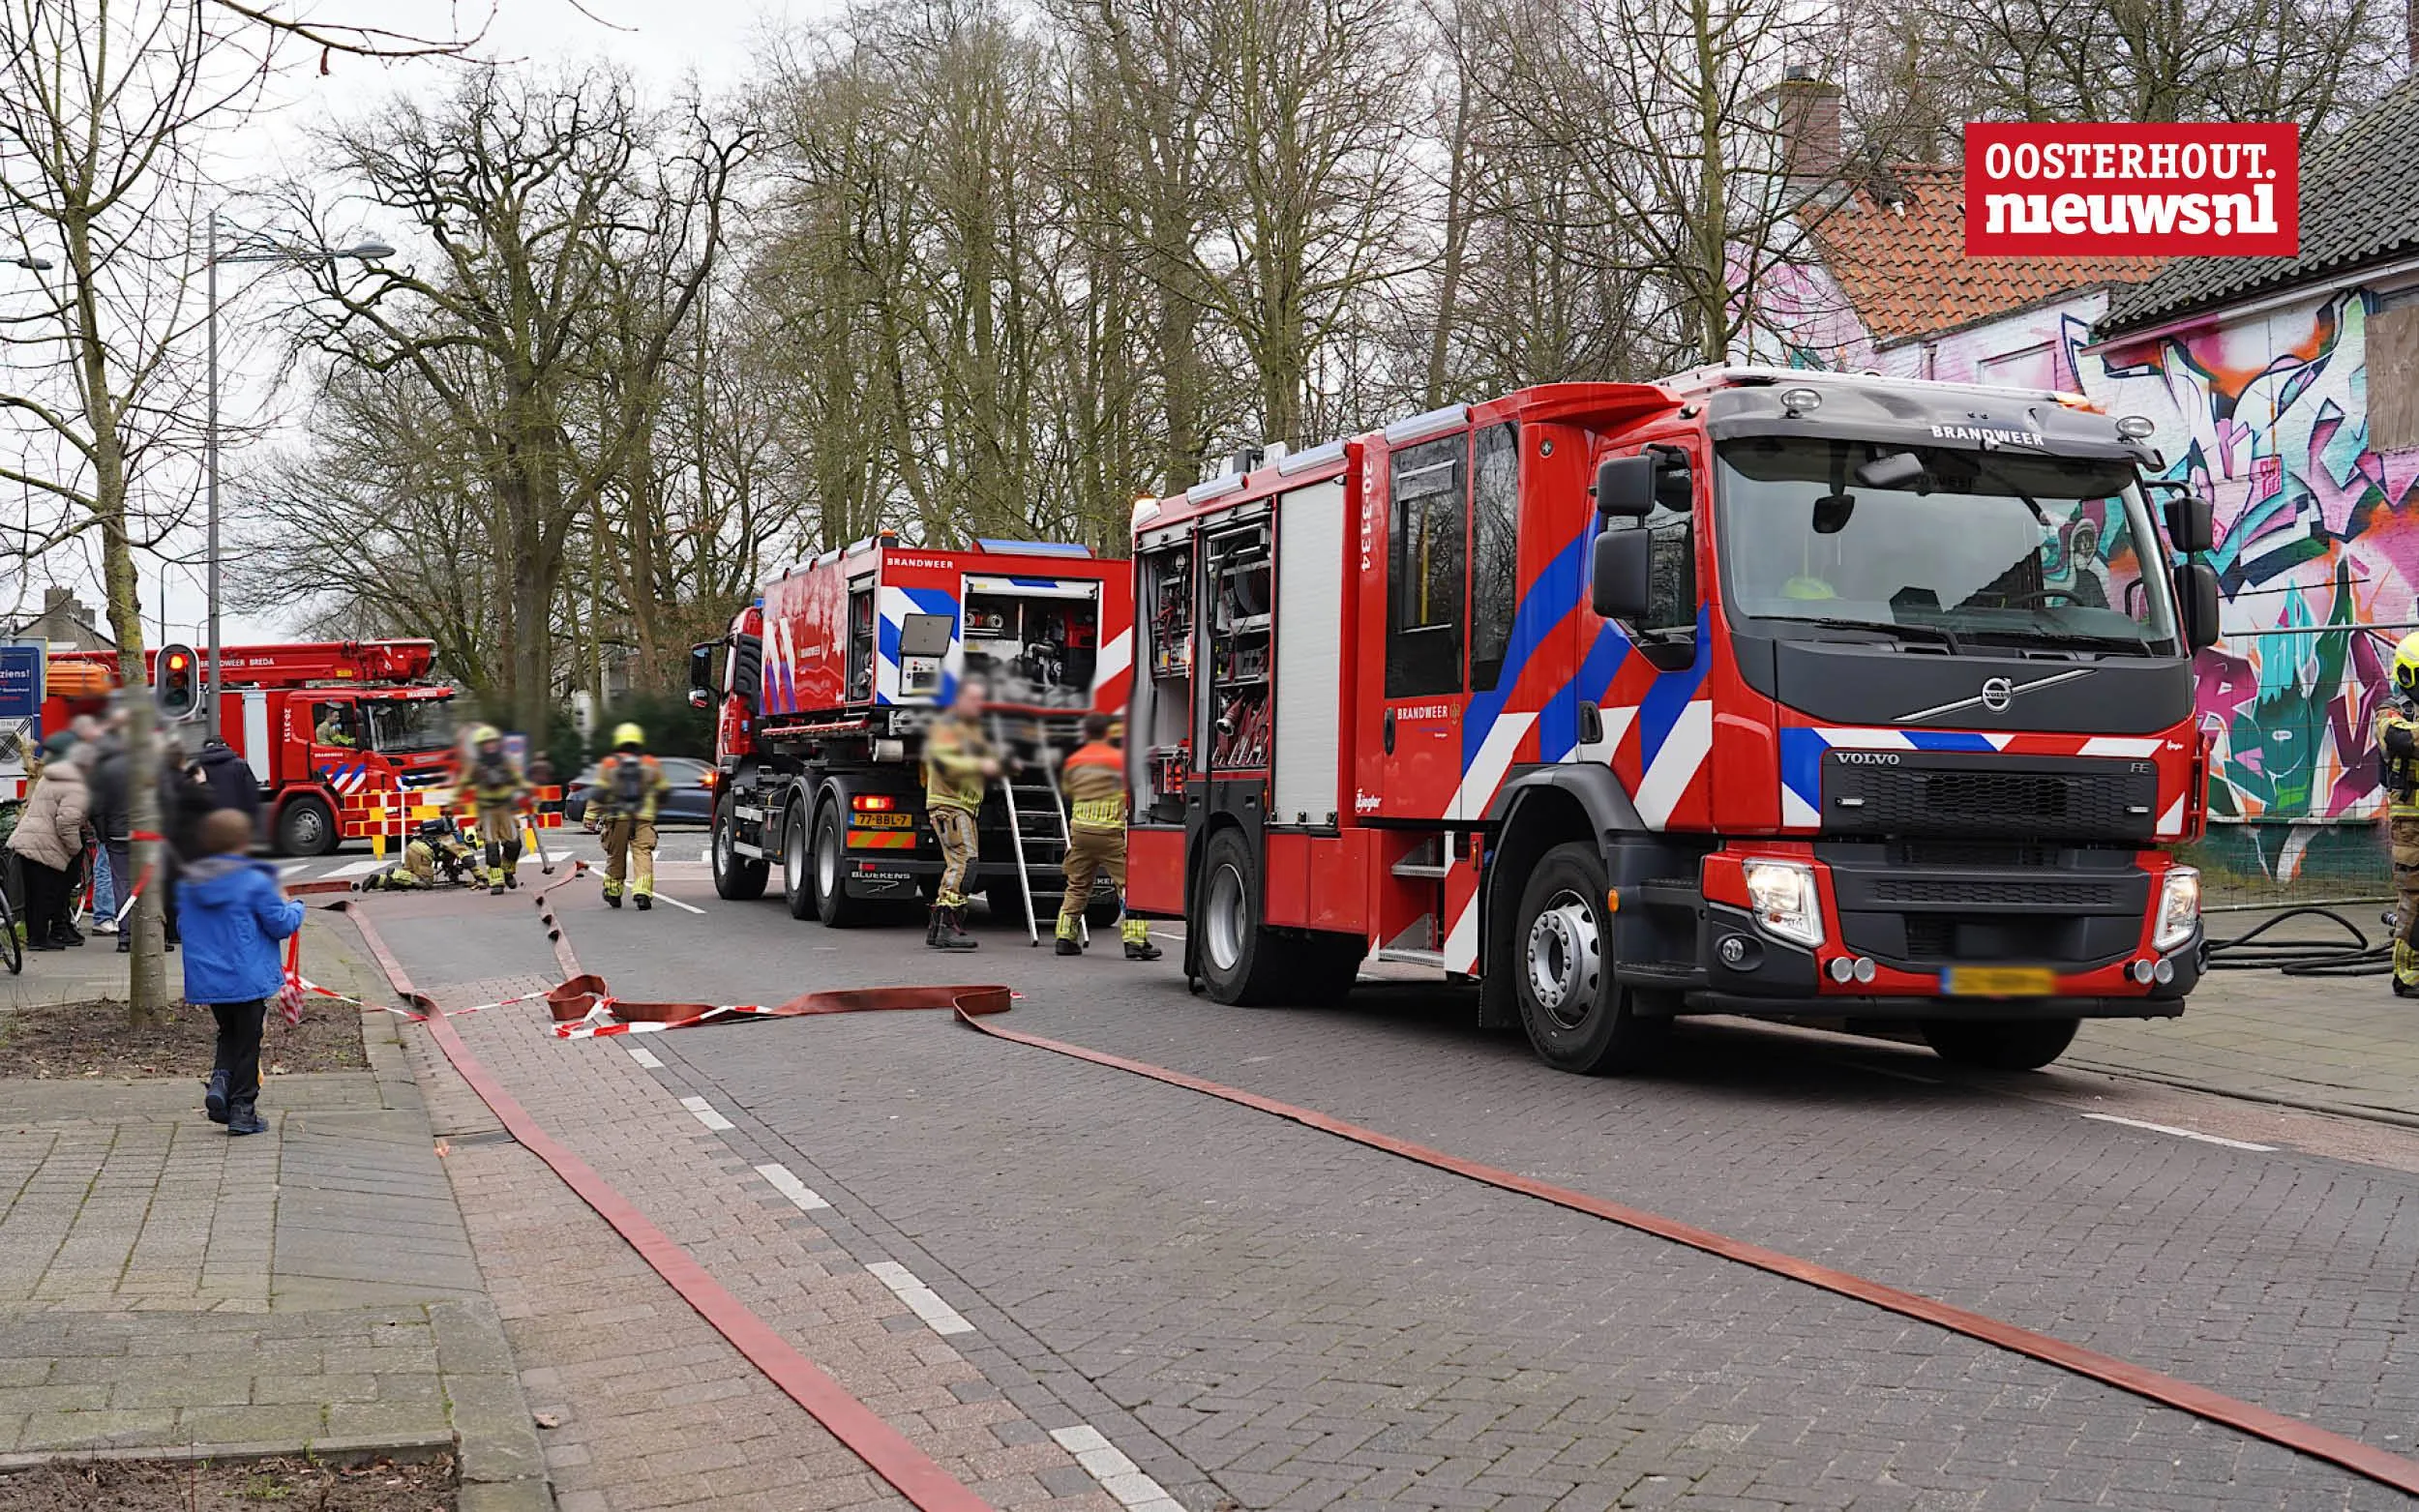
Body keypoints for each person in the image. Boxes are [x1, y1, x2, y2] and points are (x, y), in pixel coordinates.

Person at [178, 808, 305, 1138]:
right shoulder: (255, 881)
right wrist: (295, 906)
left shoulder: (190, 883)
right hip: (247, 978)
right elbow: (280, 924)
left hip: (210, 979)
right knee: (249, 1042)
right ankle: (242, 1109)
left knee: (228, 1034)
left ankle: (219, 1084)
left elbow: (181, 926)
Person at [1055, 713, 1159, 961]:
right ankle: (1134, 942)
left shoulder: (1074, 760)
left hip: (1080, 831)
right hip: (1109, 832)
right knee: (1130, 885)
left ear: (1086, 733)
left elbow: (1068, 790)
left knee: (1077, 885)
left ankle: (1065, 938)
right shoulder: (1117, 760)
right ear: (1107, 733)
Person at [923, 676, 999, 951]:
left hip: (959, 806)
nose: (980, 705)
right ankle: (947, 924)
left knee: (961, 862)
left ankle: (940, 927)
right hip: (951, 805)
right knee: (965, 863)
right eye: (975, 699)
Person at [8, 740, 94, 950]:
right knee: (46, 894)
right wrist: (75, 848)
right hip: (45, 845)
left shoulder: (52, 775)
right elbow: (67, 821)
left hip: (29, 840)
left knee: (34, 894)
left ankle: (37, 937)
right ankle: (40, 940)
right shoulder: (77, 787)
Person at [592, 723, 673, 911]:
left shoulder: (609, 764)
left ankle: (613, 892)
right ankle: (642, 893)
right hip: (642, 817)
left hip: (617, 818)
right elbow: (663, 790)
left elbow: (599, 793)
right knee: (643, 853)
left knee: (615, 855)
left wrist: (590, 816)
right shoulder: (651, 763)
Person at [2379, 632, 2419, 998]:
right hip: (2411, 827)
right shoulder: (2391, 711)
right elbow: (2399, 739)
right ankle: (2407, 974)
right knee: (2414, 902)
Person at [462, 726, 529, 896]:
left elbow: (518, 779)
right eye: (486, 744)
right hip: (487, 812)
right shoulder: (476, 766)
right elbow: (464, 782)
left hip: (505, 809)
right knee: (491, 849)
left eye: (492, 743)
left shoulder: (505, 762)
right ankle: (496, 881)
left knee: (514, 844)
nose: (490, 746)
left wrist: (528, 792)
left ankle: (507, 871)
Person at [87, 713, 129, 937]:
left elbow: (97, 805)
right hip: (119, 829)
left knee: (109, 871)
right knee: (108, 870)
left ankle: (109, 917)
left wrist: (102, 832)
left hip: (111, 829)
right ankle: (105, 917)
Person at [358, 818, 477, 891]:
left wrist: (455, 877)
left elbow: (448, 864)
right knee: (425, 883)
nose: (471, 848)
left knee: (408, 879)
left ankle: (378, 880)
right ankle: (394, 873)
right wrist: (483, 879)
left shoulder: (447, 836)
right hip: (422, 852)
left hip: (413, 847)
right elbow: (470, 862)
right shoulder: (456, 842)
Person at [193, 737, 262, 837]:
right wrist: (251, 821)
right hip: (235, 822)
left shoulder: (197, 767)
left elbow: (189, 796)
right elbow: (251, 794)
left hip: (208, 823)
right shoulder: (240, 764)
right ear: (225, 746)